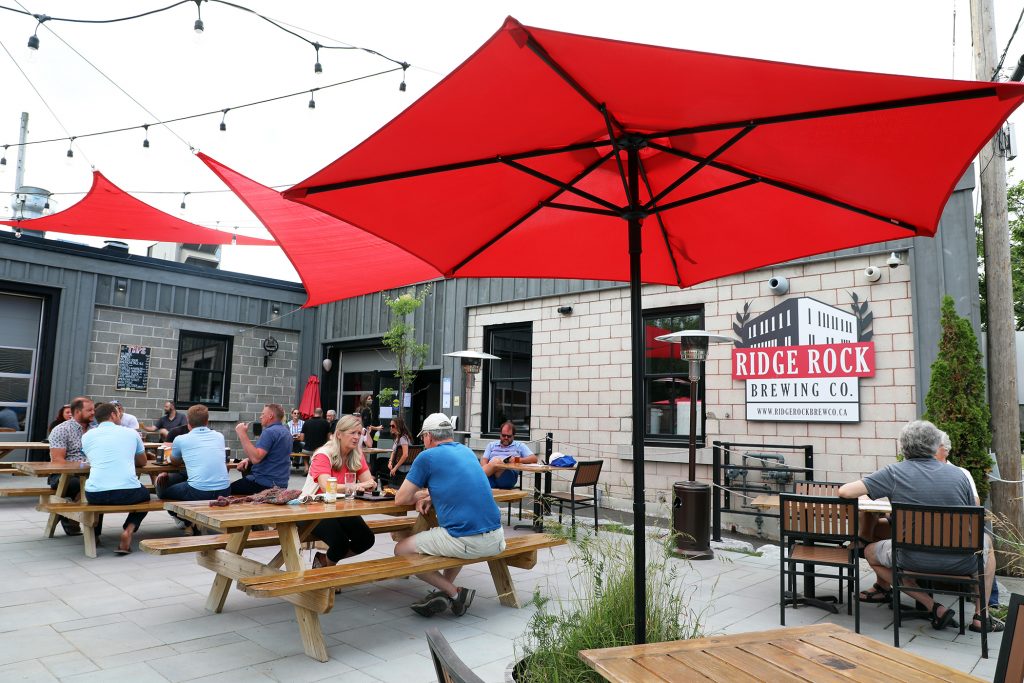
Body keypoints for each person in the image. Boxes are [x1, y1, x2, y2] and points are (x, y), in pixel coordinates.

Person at [838, 420, 1001, 634]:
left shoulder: (893, 473)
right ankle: (982, 615)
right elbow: (973, 517)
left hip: (910, 558)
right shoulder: (959, 475)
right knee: (987, 545)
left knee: (870, 551)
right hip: (962, 562)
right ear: (935, 446)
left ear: (903, 447)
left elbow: (845, 492)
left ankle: (933, 606)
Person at [395, 413, 505, 618]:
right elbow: (458, 485)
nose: (423, 442)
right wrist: (432, 494)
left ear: (428, 436)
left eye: (423, 439)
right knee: (452, 534)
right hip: (497, 538)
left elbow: (400, 499)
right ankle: (446, 593)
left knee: (401, 550)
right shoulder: (467, 451)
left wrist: (422, 494)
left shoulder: (427, 457)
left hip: (468, 541)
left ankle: (455, 593)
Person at [307, 415, 377, 568]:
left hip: (341, 508)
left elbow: (369, 482)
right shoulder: (323, 454)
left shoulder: (356, 454)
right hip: (313, 508)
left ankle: (325, 562)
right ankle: (329, 571)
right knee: (340, 543)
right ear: (339, 434)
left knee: (366, 539)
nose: (356, 437)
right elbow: (326, 487)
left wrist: (369, 485)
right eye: (352, 433)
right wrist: (354, 486)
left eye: (359, 433)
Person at [82, 402, 149, 555]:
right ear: (113, 415)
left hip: (96, 494)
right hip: (127, 493)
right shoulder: (131, 433)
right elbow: (142, 462)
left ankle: (96, 535)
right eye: (118, 414)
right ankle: (129, 529)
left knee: (99, 487)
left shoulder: (86, 436)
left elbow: (92, 458)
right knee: (146, 495)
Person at [157, 404, 231, 535]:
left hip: (198, 491)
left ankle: (186, 520)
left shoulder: (181, 439)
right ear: (207, 421)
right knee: (185, 482)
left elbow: (174, 461)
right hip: (224, 490)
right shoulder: (219, 436)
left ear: (187, 420)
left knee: (162, 491)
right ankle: (193, 522)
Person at [47, 397, 97, 536]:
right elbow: (58, 461)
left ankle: (70, 513)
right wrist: (80, 470)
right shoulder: (62, 429)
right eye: (89, 410)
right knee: (85, 485)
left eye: (94, 409)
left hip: (93, 473)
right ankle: (75, 519)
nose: (93, 413)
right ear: (77, 411)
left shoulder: (96, 429)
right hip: (64, 475)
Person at [232, 403, 292, 494]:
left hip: (264, 484)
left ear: (270, 416)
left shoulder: (269, 432)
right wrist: (248, 460)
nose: (260, 417)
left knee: (224, 491)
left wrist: (242, 434)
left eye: (263, 414)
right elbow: (273, 455)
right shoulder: (286, 432)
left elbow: (256, 458)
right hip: (281, 484)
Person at [480, 421, 536, 489]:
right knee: (494, 463)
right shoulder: (491, 445)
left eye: (509, 436)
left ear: (513, 436)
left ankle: (475, 478)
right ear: (500, 434)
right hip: (490, 476)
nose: (506, 438)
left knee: (496, 461)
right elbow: (484, 460)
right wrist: (490, 468)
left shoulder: (519, 446)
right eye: (503, 435)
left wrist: (516, 459)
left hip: (507, 476)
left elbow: (534, 459)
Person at [387, 416, 414, 484]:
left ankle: (387, 486)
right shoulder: (399, 437)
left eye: (393, 426)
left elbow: (405, 455)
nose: (391, 427)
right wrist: (390, 461)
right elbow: (393, 452)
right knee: (381, 461)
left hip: (402, 467)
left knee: (379, 464)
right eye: (390, 426)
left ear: (398, 426)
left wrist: (395, 468)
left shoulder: (403, 438)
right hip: (400, 465)